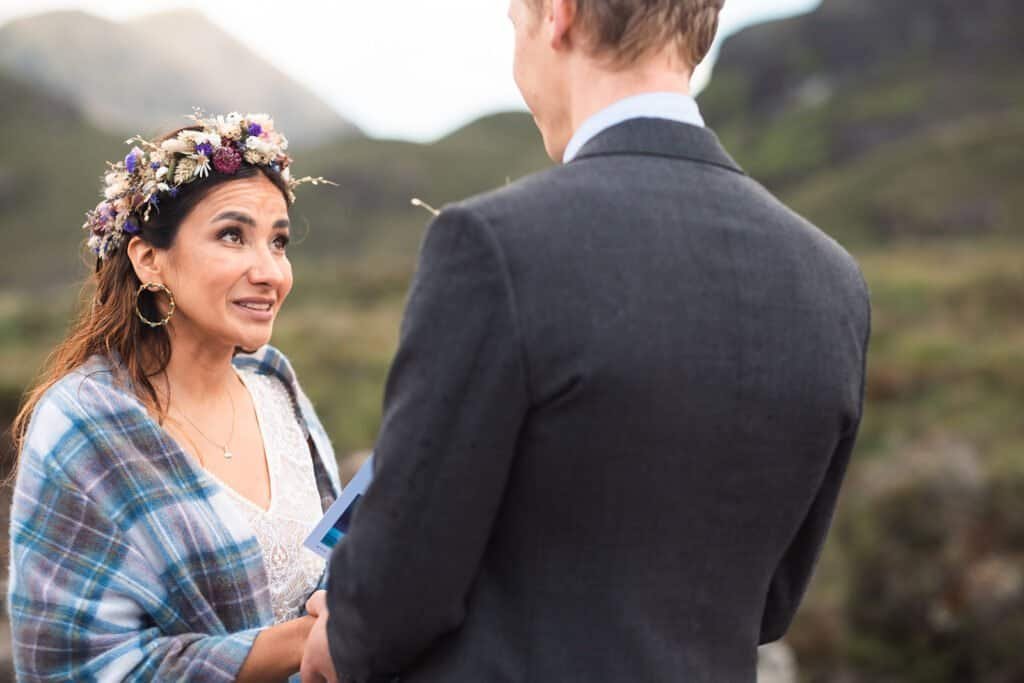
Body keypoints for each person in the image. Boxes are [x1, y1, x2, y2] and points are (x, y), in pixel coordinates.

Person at [302, 0, 871, 680]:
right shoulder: (833, 283)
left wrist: (338, 636)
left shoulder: (494, 246)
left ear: (559, 16)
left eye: (513, 22)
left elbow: (392, 600)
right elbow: (772, 600)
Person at [8, 112, 341, 681]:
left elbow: (339, 557)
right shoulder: (83, 425)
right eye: (232, 236)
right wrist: (299, 645)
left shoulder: (276, 387)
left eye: (279, 242)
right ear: (149, 259)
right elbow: (75, 665)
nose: (270, 272)